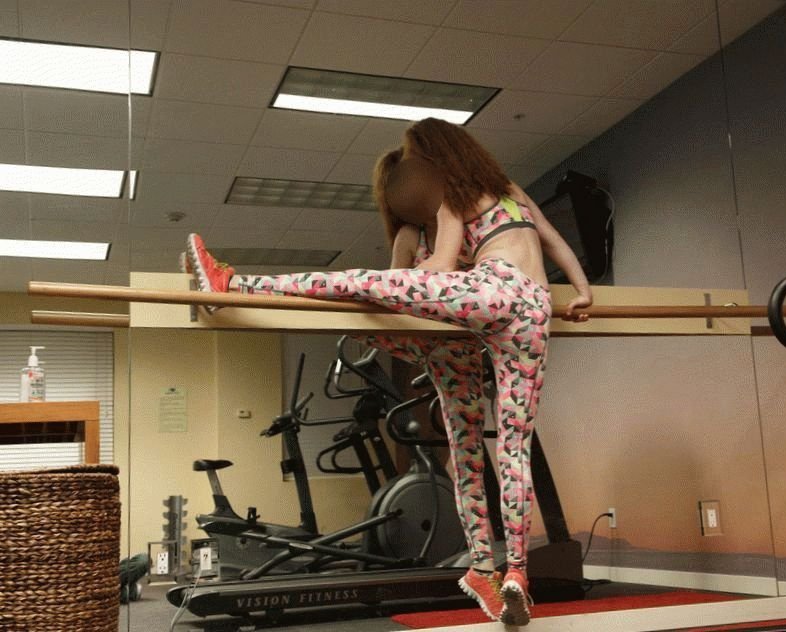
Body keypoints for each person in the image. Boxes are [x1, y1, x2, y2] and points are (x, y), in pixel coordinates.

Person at [185, 117, 592, 626]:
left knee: (364, 290)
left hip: (485, 301)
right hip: (529, 311)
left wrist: (404, 284)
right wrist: (581, 290)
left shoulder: (453, 199)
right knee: (512, 450)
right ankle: (513, 574)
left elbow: (436, 271)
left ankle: (235, 285)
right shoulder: (501, 192)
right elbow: (551, 239)